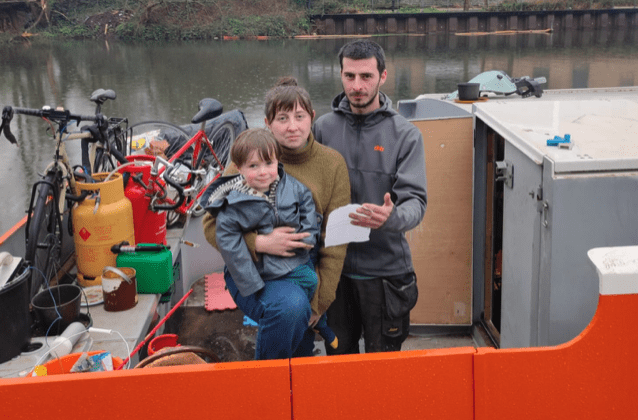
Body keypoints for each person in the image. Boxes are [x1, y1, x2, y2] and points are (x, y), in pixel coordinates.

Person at [202, 78, 350, 360]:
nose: (292, 126)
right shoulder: (250, 156)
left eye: (299, 116)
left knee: (301, 337)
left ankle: (287, 390)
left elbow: (336, 242)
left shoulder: (332, 165)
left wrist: (319, 304)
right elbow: (211, 226)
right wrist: (260, 243)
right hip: (251, 270)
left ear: (312, 118)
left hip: (304, 271)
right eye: (282, 118)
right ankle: (266, 383)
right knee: (290, 308)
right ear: (268, 123)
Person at [313, 39, 427, 354]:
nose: (357, 85)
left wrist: (392, 218)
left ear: (383, 76)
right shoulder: (322, 129)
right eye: (349, 76)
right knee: (339, 358)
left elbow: (416, 202)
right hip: (335, 273)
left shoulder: (405, 135)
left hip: (386, 274)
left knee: (383, 365)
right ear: (340, 76)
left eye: (366, 76)